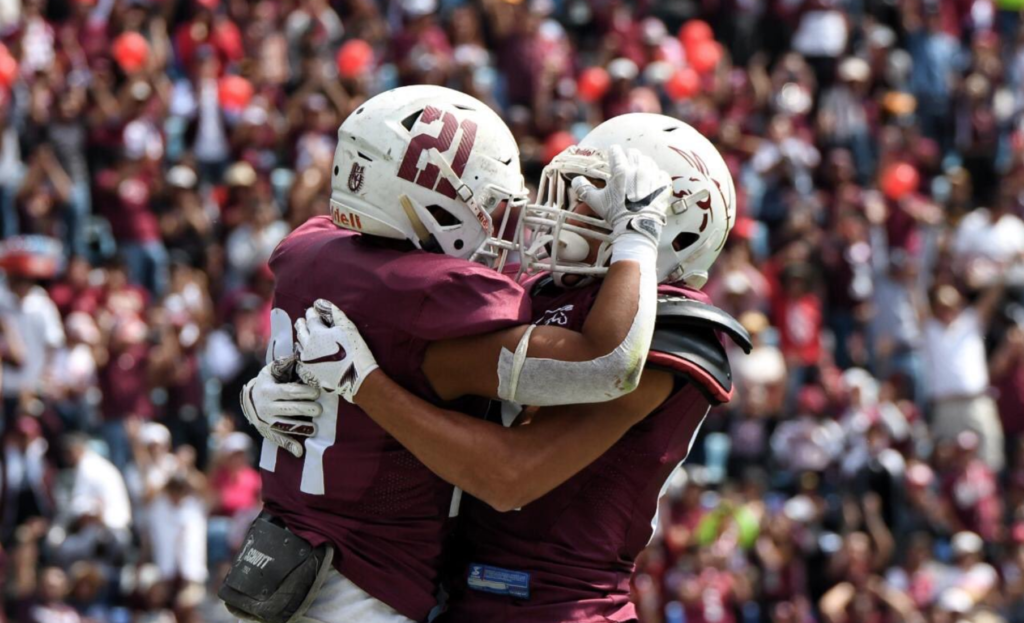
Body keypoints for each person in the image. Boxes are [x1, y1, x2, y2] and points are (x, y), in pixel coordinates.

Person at [275, 113, 749, 623]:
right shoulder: (546, 294)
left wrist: (363, 386)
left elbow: (509, 475)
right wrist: (293, 384)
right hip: (459, 598)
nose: (558, 212)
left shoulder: (673, 330)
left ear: (667, 228)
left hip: (559, 609)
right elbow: (416, 364)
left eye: (588, 203)